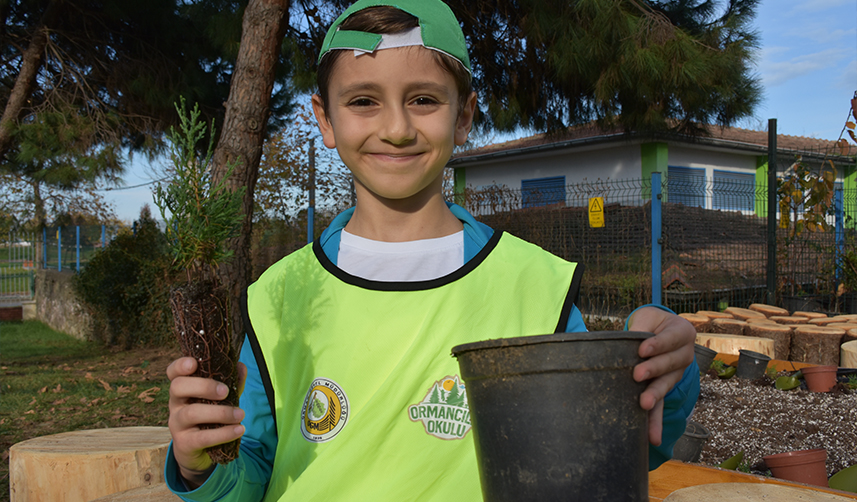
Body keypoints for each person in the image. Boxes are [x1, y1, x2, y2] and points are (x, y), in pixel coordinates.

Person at [164, 0, 700, 499]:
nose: (396, 129)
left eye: (422, 99)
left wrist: (659, 370)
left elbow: (604, 453)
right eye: (363, 101)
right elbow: (253, 469)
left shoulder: (534, 285)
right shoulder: (277, 297)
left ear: (463, 116)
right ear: (325, 119)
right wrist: (202, 467)